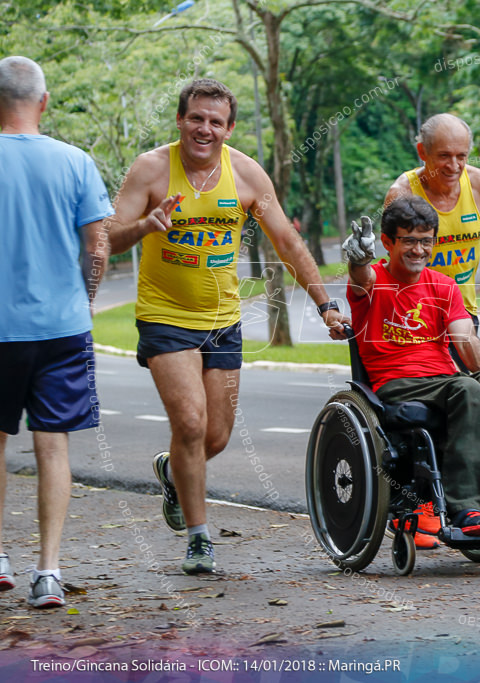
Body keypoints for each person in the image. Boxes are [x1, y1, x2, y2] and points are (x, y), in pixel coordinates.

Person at [107, 78, 347, 575]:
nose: (205, 128)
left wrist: (325, 304)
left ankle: (173, 471)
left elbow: (286, 241)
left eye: (216, 121)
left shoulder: (246, 174)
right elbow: (108, 238)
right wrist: (146, 226)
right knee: (190, 424)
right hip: (164, 316)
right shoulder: (152, 169)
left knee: (215, 436)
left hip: (221, 322)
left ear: (229, 128)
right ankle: (199, 538)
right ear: (180, 120)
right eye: (196, 117)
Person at [343, 196, 480, 537]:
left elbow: (466, 341)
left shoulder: (444, 286)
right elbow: (361, 278)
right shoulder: (374, 280)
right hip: (395, 382)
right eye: (409, 241)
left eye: (426, 241)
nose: (419, 250)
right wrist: (358, 259)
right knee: (464, 387)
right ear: (388, 243)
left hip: (442, 380)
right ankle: (465, 507)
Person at [0, 56, 113, 607]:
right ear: (43, 102)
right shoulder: (76, 162)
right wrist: (85, 301)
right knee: (53, 447)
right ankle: (47, 571)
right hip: (62, 327)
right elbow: (98, 246)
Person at [384, 113, 480, 349]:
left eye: (462, 156)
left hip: (463, 314)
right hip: (414, 316)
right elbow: (392, 258)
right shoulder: (402, 194)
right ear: (422, 152)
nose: (454, 166)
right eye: (444, 156)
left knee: (472, 383)